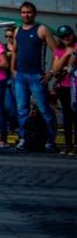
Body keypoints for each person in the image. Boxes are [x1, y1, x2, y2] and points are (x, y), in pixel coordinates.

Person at [12, 2, 58, 151]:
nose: (26, 15)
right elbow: (15, 51)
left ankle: (51, 140)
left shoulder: (42, 29)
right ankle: (24, 138)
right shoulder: (18, 30)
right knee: (22, 109)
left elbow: (56, 51)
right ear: (20, 14)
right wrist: (13, 69)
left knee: (44, 109)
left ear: (34, 13)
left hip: (37, 75)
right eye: (24, 12)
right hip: (20, 76)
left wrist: (51, 72)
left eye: (29, 12)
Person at [50, 25, 76, 155]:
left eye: (68, 35)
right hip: (64, 87)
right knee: (67, 116)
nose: (66, 38)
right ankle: (68, 144)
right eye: (63, 36)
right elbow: (55, 71)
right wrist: (66, 55)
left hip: (75, 85)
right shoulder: (59, 51)